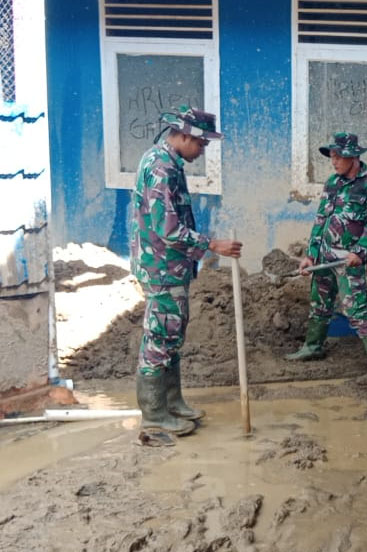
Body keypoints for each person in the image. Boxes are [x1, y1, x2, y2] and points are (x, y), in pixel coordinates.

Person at [131, 105, 243, 437]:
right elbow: (168, 229)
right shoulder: (162, 168)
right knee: (160, 336)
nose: (202, 150)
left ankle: (171, 402)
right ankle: (154, 414)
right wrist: (212, 245)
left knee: (172, 334)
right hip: (163, 267)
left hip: (170, 266)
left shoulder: (166, 162)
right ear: (183, 135)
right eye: (201, 144)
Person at [286, 132, 367, 386]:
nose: (333, 161)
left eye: (337, 156)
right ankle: (313, 346)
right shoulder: (332, 182)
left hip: (348, 258)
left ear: (353, 156)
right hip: (324, 255)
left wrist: (361, 252)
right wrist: (310, 255)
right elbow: (320, 220)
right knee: (319, 301)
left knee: (356, 309)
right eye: (331, 156)